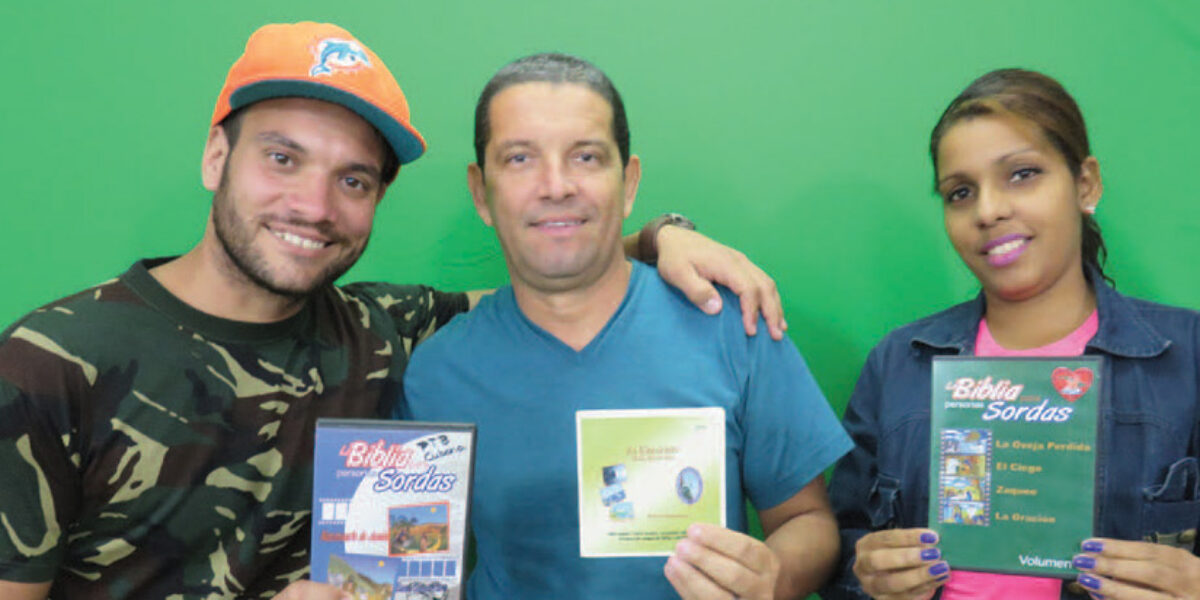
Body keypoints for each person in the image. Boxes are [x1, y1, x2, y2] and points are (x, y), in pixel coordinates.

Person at [0, 23, 790, 600]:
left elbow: (563, 291)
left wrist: (661, 237)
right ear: (217, 157)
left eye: (354, 179)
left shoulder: (384, 331)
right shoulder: (51, 359)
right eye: (282, 158)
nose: (313, 204)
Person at [402, 53, 853, 600]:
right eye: (520, 159)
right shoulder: (436, 371)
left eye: (586, 157)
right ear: (481, 193)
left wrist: (773, 578)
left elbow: (809, 521)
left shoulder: (731, 324)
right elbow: (409, 561)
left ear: (629, 181)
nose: (556, 185)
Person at [821, 69, 1200, 600]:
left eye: (1022, 174)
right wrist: (865, 579)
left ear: (1085, 184)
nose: (989, 210)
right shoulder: (899, 363)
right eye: (959, 192)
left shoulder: (1190, 356)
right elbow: (841, 550)